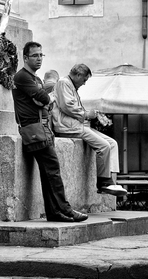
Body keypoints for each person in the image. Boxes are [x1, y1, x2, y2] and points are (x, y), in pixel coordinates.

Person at [12, 41, 88, 223]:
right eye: (35, 55)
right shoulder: (22, 77)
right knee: (52, 170)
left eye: (41, 55)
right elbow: (43, 98)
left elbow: (45, 102)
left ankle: (55, 213)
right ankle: (66, 210)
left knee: (49, 173)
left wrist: (45, 99)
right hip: (33, 131)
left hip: (42, 130)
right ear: (25, 58)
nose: (39, 59)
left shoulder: (36, 79)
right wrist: (46, 99)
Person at [51, 64, 127, 197]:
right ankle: (103, 183)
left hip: (77, 125)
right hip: (68, 127)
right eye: (84, 80)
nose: (84, 83)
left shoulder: (70, 85)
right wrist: (87, 114)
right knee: (104, 146)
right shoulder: (64, 83)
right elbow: (67, 106)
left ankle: (112, 181)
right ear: (78, 75)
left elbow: (71, 107)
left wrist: (93, 115)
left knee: (113, 144)